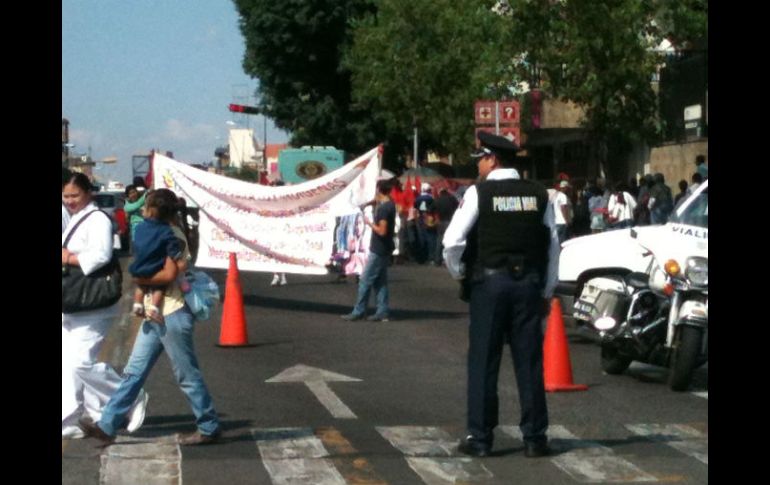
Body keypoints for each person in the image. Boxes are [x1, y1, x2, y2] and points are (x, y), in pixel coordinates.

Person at [442, 131, 559, 459]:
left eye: (480, 159)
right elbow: (552, 245)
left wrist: (460, 274)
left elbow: (452, 242)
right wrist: (547, 289)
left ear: (493, 158)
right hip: (528, 286)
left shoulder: (480, 193)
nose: (477, 165)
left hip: (489, 285)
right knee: (529, 362)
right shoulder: (539, 194)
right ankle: (535, 438)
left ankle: (480, 438)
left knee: (483, 362)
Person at [80, 189, 221, 446]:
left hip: (173, 313)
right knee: (133, 372)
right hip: (153, 312)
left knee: (186, 373)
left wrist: (139, 278)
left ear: (155, 210)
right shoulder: (155, 231)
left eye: (146, 206)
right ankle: (107, 425)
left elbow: (169, 275)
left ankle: (208, 425)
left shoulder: (173, 236)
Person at [62, 172, 148, 439]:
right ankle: (82, 416)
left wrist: (68, 257)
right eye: (65, 196)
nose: (70, 201)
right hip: (73, 301)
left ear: (89, 193)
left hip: (93, 302)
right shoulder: (74, 218)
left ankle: (128, 395)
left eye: (75, 195)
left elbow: (101, 255)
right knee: (67, 362)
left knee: (81, 363)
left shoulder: (98, 218)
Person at [341, 179, 397, 322]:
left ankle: (359, 311)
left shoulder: (384, 209)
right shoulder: (389, 204)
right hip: (384, 248)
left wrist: (369, 223)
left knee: (365, 280)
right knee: (380, 281)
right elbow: (377, 201)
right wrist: (367, 203)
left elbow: (382, 231)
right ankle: (382, 311)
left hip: (378, 249)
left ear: (378, 190)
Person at [129, 190, 184, 324]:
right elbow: (168, 275)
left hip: (138, 267)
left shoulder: (140, 227)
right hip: (169, 308)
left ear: (150, 210)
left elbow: (136, 245)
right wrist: (179, 260)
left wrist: (138, 277)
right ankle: (154, 307)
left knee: (140, 286)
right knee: (159, 287)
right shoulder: (168, 232)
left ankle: (137, 304)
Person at [433, 187, 459, 265]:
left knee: (439, 241)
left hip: (441, 221)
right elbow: (459, 208)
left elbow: (430, 209)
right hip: (451, 222)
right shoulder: (452, 199)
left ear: (440, 193)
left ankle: (437, 260)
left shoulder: (437, 200)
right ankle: (450, 261)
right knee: (451, 241)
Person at [552, 179, 572, 244]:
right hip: (562, 222)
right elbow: (563, 208)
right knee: (563, 241)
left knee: (558, 241)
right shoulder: (563, 196)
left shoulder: (556, 195)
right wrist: (566, 220)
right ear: (565, 188)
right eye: (567, 188)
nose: (568, 189)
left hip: (556, 221)